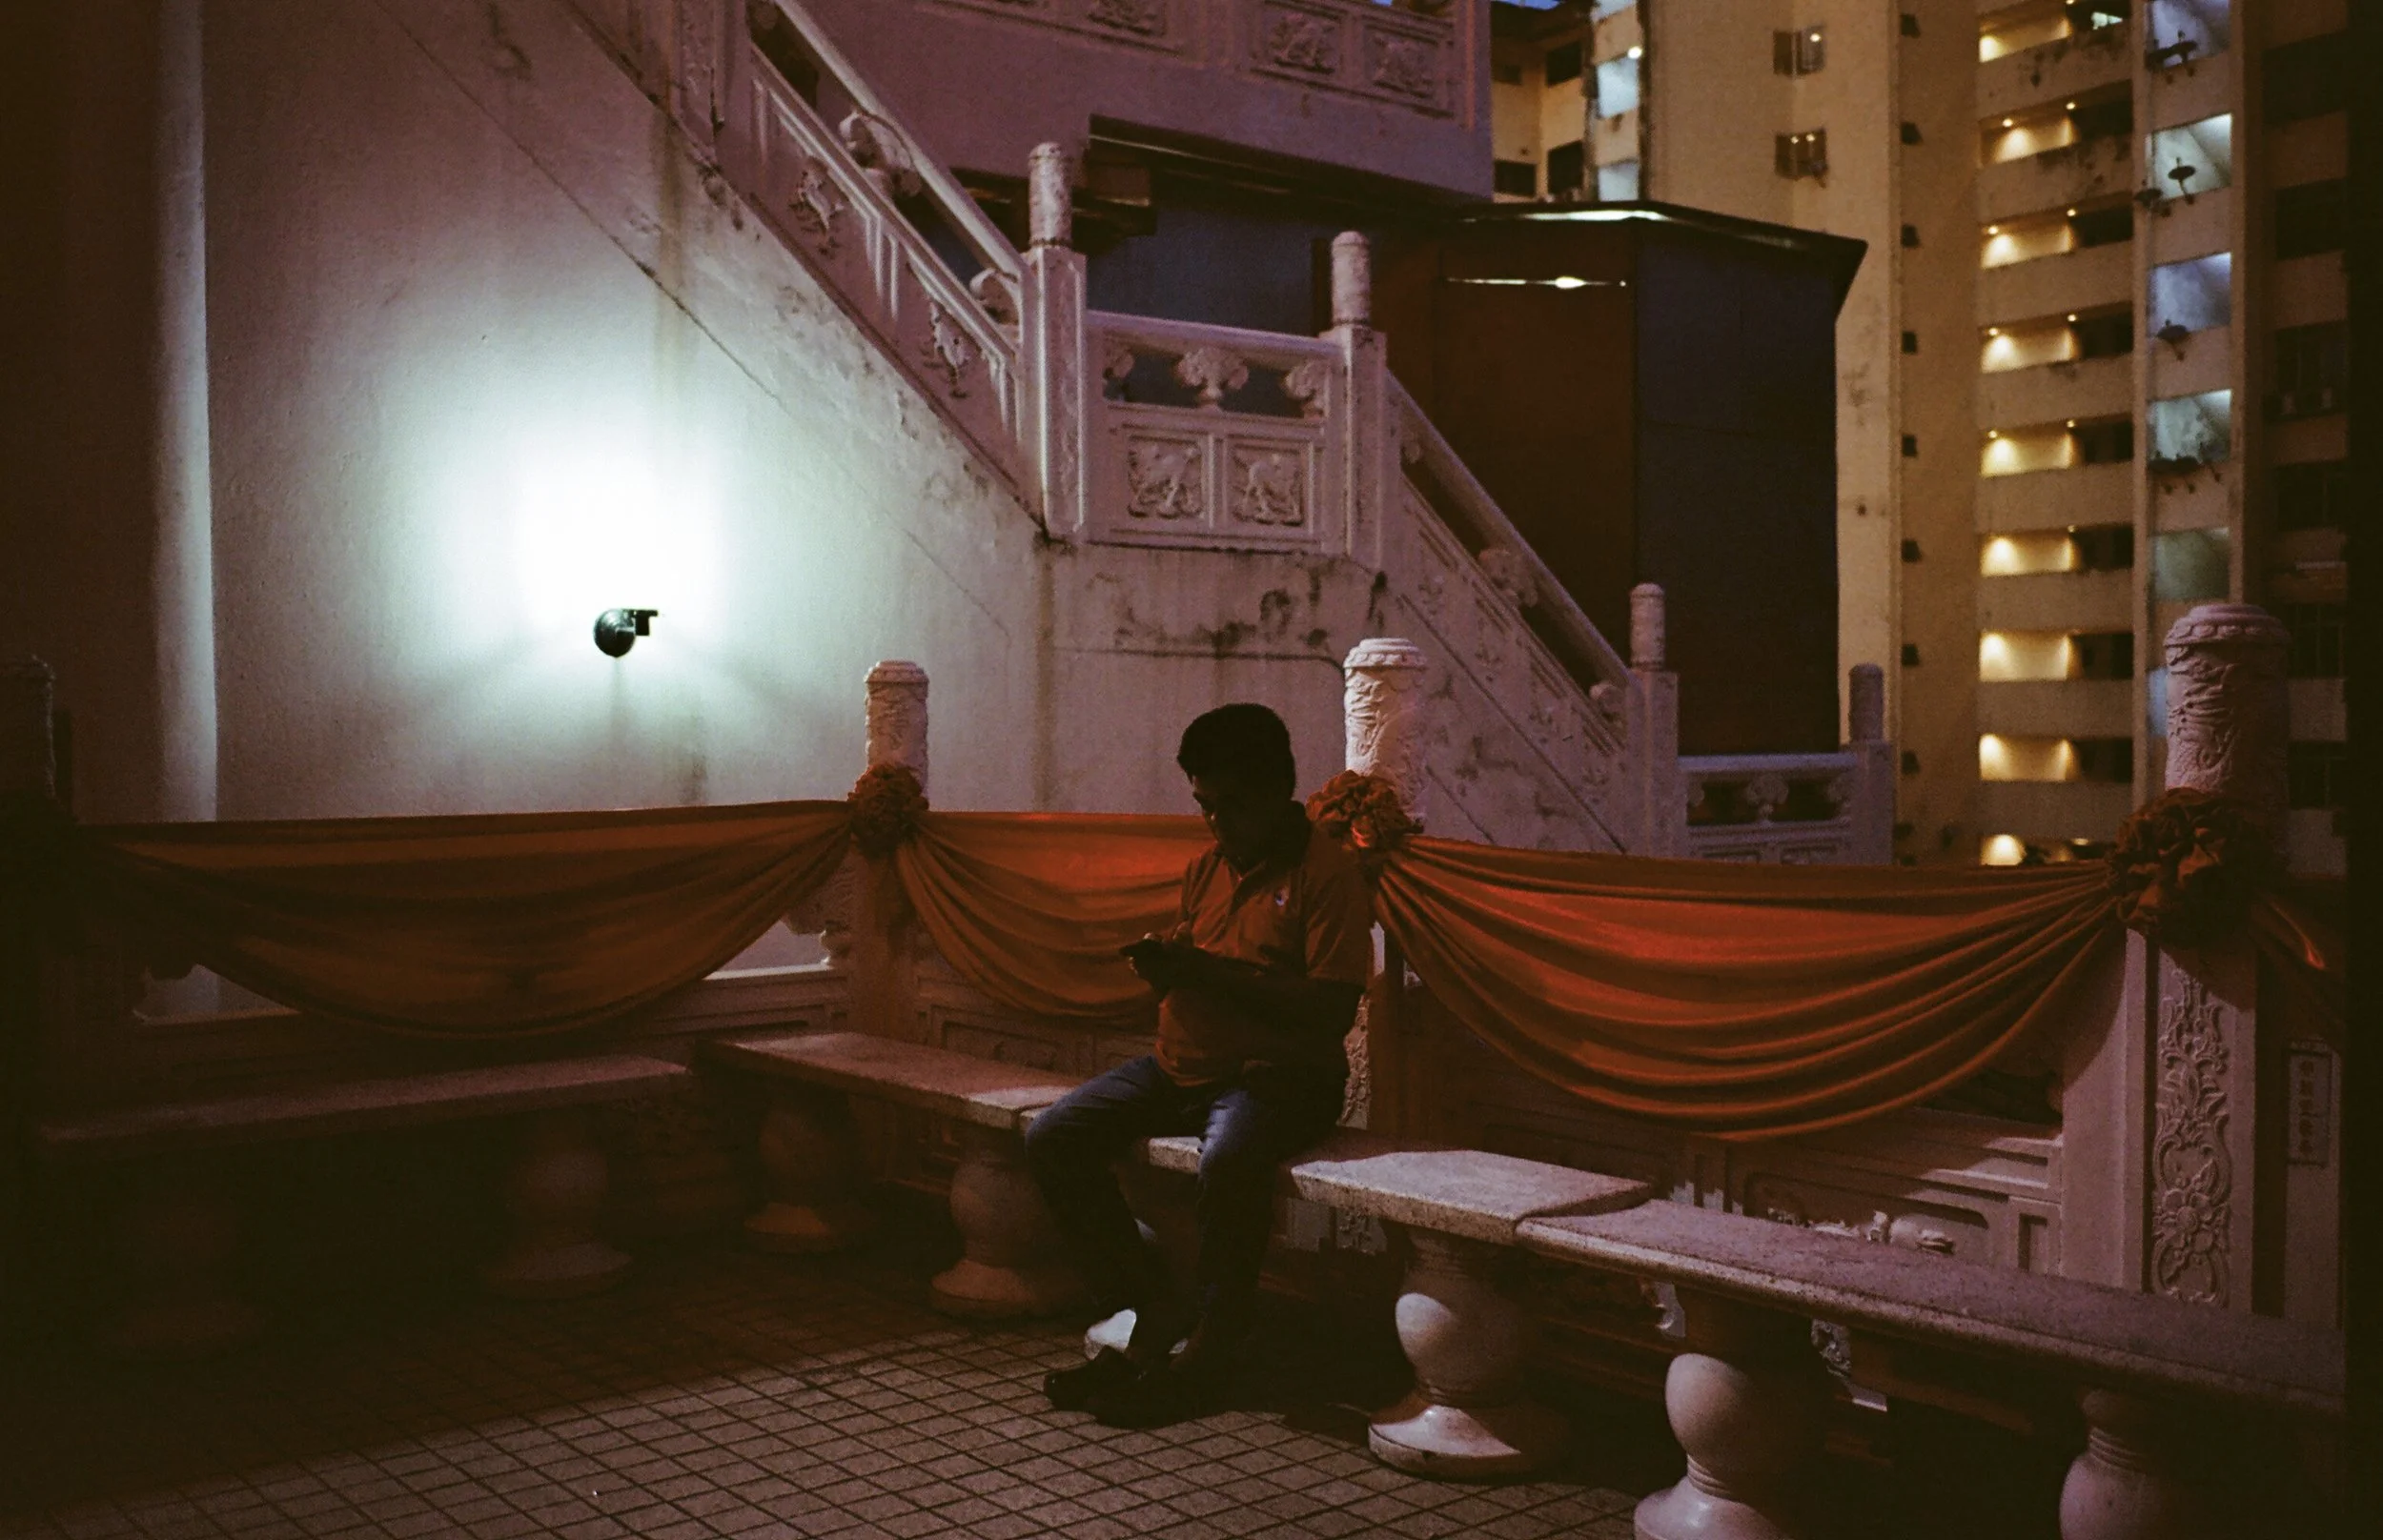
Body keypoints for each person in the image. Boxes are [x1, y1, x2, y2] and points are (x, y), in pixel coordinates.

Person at [1023, 703, 1374, 1429]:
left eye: (1232, 806)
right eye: (1205, 805)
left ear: (1279, 790)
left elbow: (1331, 1010)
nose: (1217, 822)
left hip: (1277, 1078)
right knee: (1054, 1136)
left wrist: (1206, 973)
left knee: (1229, 1161)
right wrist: (1169, 966)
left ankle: (1213, 1350)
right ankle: (1147, 1308)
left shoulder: (1327, 875)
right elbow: (1200, 964)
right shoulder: (1206, 869)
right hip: (1180, 1067)